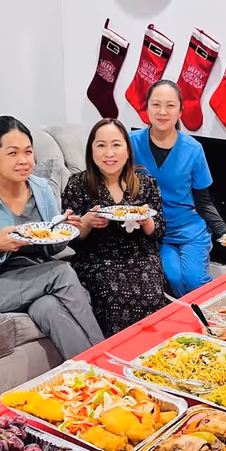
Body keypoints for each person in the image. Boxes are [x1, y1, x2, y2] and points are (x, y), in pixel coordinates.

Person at [0, 115, 104, 360]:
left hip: (33, 276)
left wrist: (65, 228)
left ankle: (92, 376)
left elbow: (51, 247)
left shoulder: (41, 188)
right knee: (61, 272)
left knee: (48, 308)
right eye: (12, 153)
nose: (23, 161)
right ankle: (107, 354)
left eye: (28, 152)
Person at [62, 118, 167, 337]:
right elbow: (71, 238)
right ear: (91, 151)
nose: (109, 153)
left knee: (152, 292)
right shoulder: (77, 184)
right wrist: (86, 222)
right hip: (97, 260)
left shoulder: (146, 184)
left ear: (127, 151)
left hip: (140, 257)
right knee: (113, 292)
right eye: (101, 145)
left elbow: (159, 231)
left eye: (116, 145)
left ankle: (151, 351)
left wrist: (147, 222)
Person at [130, 80, 226, 297]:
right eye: (156, 105)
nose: (163, 112)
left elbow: (203, 201)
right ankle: (185, 325)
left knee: (195, 280)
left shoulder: (193, 149)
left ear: (180, 110)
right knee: (175, 277)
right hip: (156, 231)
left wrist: (225, 234)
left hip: (190, 229)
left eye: (170, 105)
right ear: (146, 107)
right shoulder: (130, 143)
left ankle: (215, 320)